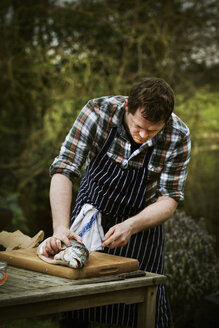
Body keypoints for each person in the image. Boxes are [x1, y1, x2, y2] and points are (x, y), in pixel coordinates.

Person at [44, 77, 191, 328]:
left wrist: (131, 226)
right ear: (127, 108)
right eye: (138, 126)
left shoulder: (177, 135)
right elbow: (64, 169)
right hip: (90, 219)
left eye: (152, 130)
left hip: (141, 227)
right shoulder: (97, 112)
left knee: (143, 305)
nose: (143, 135)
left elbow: (169, 198)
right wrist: (60, 228)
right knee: (78, 305)